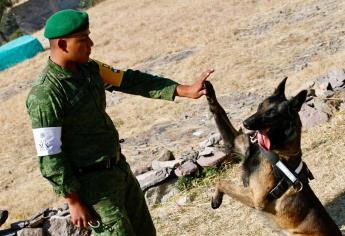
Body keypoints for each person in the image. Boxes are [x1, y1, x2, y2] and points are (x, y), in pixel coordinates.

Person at [26, 9, 213, 236]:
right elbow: (50, 154)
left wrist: (183, 90)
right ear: (63, 45)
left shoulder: (89, 69)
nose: (91, 43)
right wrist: (73, 200)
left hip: (119, 170)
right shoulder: (46, 93)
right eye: (83, 40)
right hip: (93, 189)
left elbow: (131, 81)